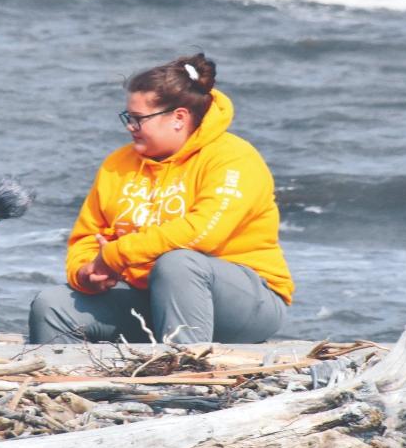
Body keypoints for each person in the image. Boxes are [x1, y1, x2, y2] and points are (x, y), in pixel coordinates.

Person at [29, 53, 293, 344]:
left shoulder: (233, 158)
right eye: (128, 118)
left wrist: (115, 255)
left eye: (138, 119)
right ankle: (72, 384)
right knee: (52, 304)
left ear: (179, 117)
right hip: (150, 298)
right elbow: (89, 236)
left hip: (246, 303)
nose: (130, 126)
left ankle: (188, 377)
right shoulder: (117, 164)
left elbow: (203, 233)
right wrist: (86, 271)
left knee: (179, 264)